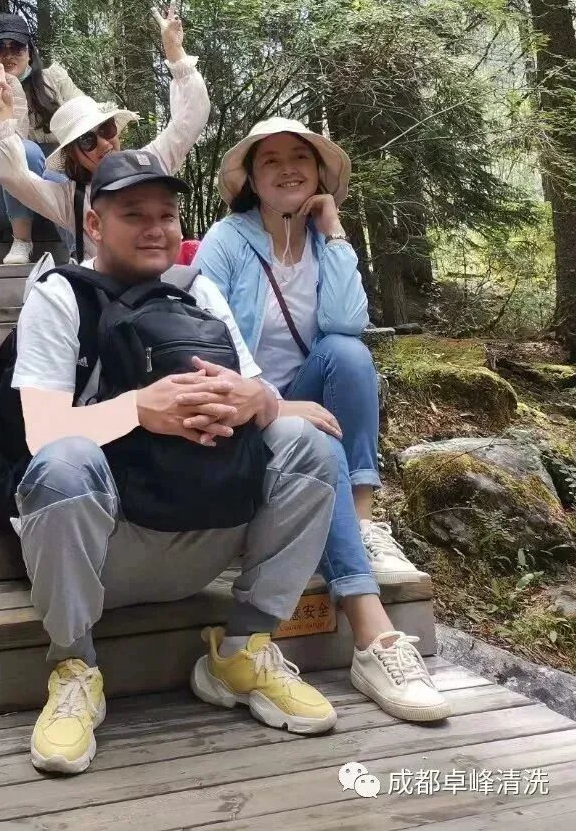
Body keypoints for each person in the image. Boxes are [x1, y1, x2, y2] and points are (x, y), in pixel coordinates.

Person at [9, 149, 342, 775]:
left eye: (166, 215)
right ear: (94, 225)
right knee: (63, 461)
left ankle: (242, 651)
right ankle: (75, 668)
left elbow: (251, 390)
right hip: (104, 552)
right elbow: (42, 432)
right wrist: (139, 409)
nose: (156, 228)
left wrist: (259, 399)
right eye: (134, 214)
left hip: (207, 537)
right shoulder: (59, 297)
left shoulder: (197, 290)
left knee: (309, 444)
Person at [192, 118, 449, 724]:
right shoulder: (226, 241)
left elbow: (345, 323)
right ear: (250, 179)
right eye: (270, 160)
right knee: (317, 437)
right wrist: (272, 404)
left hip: (306, 402)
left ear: (318, 172)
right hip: (242, 407)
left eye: (300, 157)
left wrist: (333, 236)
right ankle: (373, 634)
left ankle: (361, 519)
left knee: (350, 357)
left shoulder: (321, 238)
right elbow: (207, 335)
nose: (288, 169)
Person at [0, 5, 210, 261]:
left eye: (107, 129)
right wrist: (4, 113)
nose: (104, 143)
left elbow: (189, 121)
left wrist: (175, 51)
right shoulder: (70, 199)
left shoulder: (149, 163)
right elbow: (12, 176)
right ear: (73, 154)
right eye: (87, 140)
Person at [0, 13, 82, 265]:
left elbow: (84, 118)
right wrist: (10, 95)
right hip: (8, 203)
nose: (8, 55)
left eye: (16, 47)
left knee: (56, 174)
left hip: (57, 192)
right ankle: (21, 240)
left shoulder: (55, 80)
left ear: (30, 51)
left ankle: (79, 254)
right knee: (24, 150)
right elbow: (9, 149)